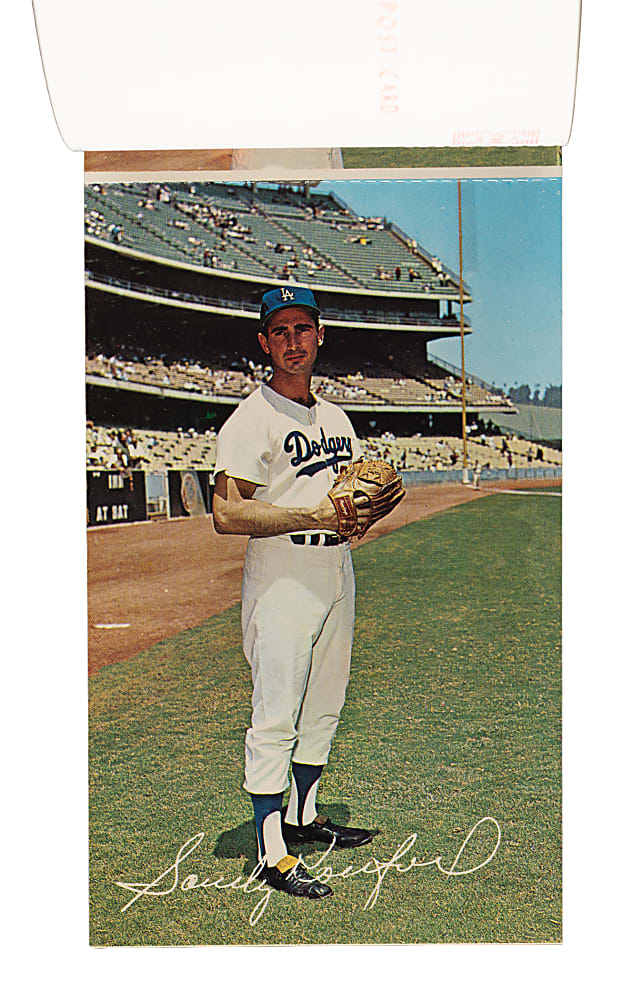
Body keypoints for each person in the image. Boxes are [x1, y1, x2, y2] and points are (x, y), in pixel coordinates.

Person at [213, 286, 379, 901]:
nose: (292, 340)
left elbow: (349, 499)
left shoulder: (336, 419)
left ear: (319, 335)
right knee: (276, 710)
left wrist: (360, 517)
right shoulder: (250, 420)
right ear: (264, 342)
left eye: (302, 328)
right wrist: (308, 516)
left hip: (337, 571)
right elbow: (226, 514)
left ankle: (305, 817)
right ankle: (270, 849)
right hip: (281, 574)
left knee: (326, 699)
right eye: (279, 330)